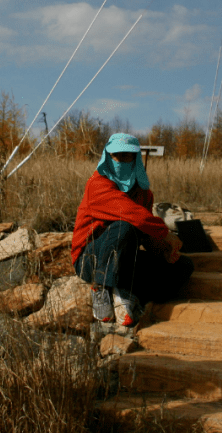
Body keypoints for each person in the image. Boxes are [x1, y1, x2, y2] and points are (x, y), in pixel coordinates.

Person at [71, 133, 195, 326]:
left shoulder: (143, 193)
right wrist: (166, 234)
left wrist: (162, 250)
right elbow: (131, 213)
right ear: (107, 157)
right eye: (116, 155)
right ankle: (102, 288)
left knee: (183, 267)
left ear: (135, 159)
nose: (121, 160)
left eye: (127, 156)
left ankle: (129, 292)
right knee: (125, 225)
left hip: (124, 258)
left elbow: (144, 235)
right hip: (90, 259)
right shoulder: (97, 184)